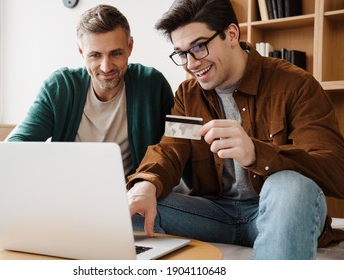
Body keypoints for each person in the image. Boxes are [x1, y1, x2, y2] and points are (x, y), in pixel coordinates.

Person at [127, 0, 344, 259]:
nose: (191, 64)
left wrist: (256, 154)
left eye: (198, 47)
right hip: (215, 215)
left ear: (231, 34)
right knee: (132, 206)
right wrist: (146, 184)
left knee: (290, 186)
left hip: (276, 211)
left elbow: (335, 170)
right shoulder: (188, 95)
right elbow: (170, 150)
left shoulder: (296, 85)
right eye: (182, 53)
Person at [0, 4, 174, 243]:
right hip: (63, 197)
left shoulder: (152, 84)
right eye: (95, 55)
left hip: (122, 201)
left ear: (130, 47)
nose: (106, 67)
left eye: (116, 53)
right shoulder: (60, 87)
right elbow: (16, 146)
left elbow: (174, 147)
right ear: (81, 52)